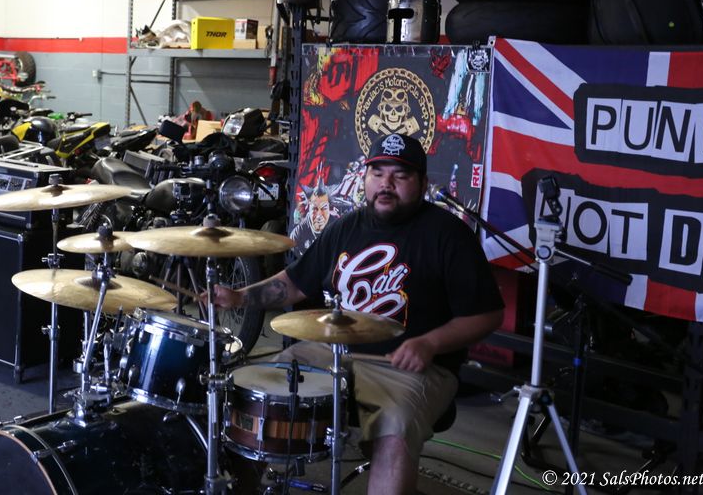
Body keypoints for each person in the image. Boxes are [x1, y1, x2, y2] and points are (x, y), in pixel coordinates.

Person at [213, 133, 504, 494]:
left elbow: (488, 315)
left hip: (411, 368)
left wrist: (430, 343)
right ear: (364, 178)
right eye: (377, 173)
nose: (386, 184)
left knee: (394, 429)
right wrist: (238, 297)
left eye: (400, 176)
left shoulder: (449, 235)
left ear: (423, 183)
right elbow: (294, 283)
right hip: (332, 352)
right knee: (252, 394)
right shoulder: (345, 227)